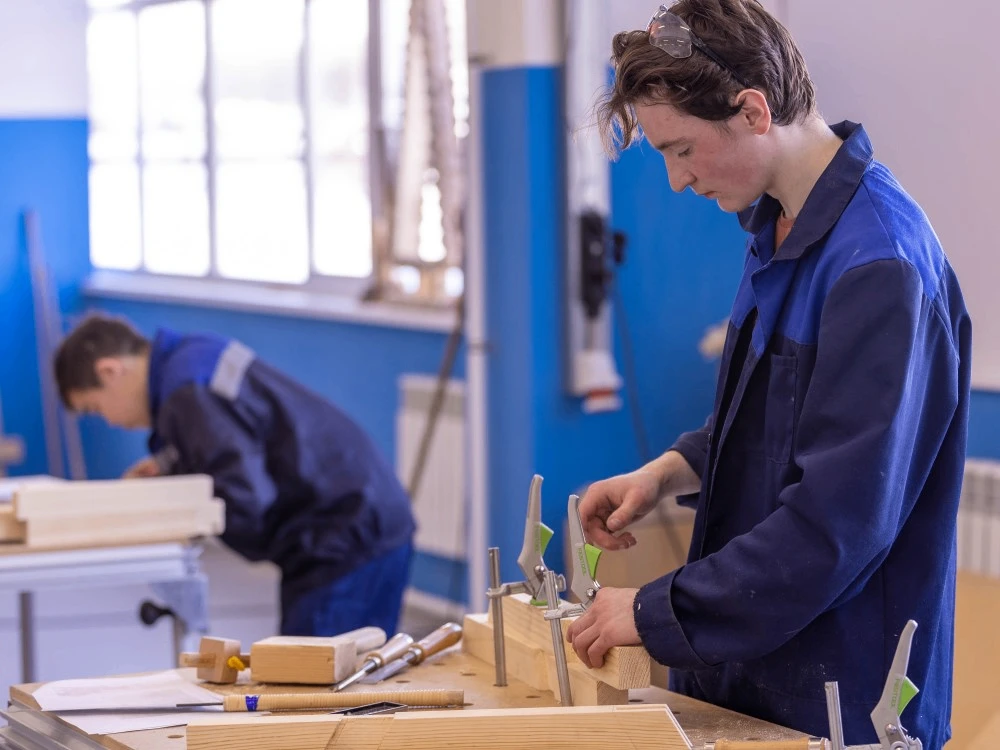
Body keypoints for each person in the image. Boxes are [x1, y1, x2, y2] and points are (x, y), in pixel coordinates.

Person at [565, 3, 970, 748]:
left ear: (753, 111)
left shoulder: (878, 265)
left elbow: (835, 527)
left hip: (842, 696)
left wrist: (655, 612)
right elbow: (774, 416)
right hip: (753, 673)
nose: (677, 180)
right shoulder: (778, 227)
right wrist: (669, 470)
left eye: (682, 150)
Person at [54, 314, 416, 638]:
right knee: (346, 675)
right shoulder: (191, 357)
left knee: (316, 680)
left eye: (96, 408)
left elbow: (243, 497)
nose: (110, 421)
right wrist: (172, 469)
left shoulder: (188, 392)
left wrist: (174, 510)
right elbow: (239, 443)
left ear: (110, 371)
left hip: (345, 534)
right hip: (361, 513)